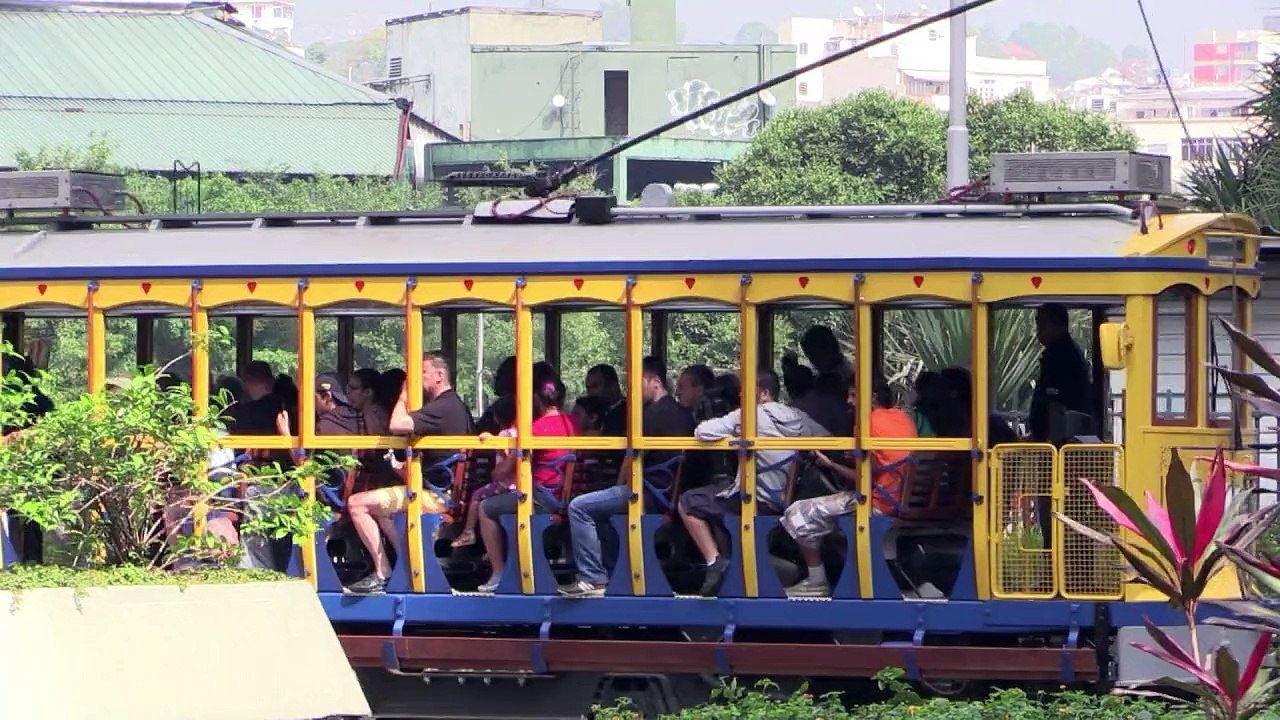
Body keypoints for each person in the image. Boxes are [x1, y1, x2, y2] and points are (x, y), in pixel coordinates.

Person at [677, 368, 829, 597]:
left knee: (688, 502)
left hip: (754, 500)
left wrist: (735, 437)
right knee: (719, 498)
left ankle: (714, 562)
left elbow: (702, 431)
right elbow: (827, 438)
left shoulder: (748, 416)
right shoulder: (797, 416)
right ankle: (737, 566)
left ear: (764, 393)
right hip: (782, 499)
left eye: (746, 390)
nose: (740, 395)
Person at [559, 357, 694, 598]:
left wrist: (618, 486)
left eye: (635, 383)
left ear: (654, 381)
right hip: (665, 493)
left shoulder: (649, 416)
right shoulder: (682, 414)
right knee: (603, 516)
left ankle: (593, 578)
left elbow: (631, 460)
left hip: (645, 492)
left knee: (579, 507)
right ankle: (615, 574)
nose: (630, 391)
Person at [342, 352, 473, 595]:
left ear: (439, 375)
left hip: (435, 497)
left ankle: (383, 572)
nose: (415, 379)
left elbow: (397, 425)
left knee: (357, 503)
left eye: (421, 373)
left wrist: (403, 395)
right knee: (381, 510)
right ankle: (409, 564)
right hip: (439, 490)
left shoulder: (443, 407)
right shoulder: (455, 405)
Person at [779, 380, 917, 597]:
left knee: (797, 512)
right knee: (834, 515)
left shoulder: (867, 423)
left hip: (878, 503)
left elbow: (863, 479)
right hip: (901, 500)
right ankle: (855, 575)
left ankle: (816, 582)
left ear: (872, 397)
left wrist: (831, 465)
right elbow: (882, 464)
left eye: (854, 395)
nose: (849, 401)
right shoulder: (903, 418)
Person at [475, 363, 578, 593]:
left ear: (535, 397)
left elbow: (501, 473)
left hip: (540, 499)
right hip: (564, 497)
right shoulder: (573, 423)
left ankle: (498, 573)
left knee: (485, 507)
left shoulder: (533, 429)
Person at [1028, 304, 1091, 444]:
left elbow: (1056, 404)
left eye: (1041, 324)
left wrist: (1051, 443)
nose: (1038, 332)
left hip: (1058, 443)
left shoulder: (1061, 356)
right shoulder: (1063, 351)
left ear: (1057, 324)